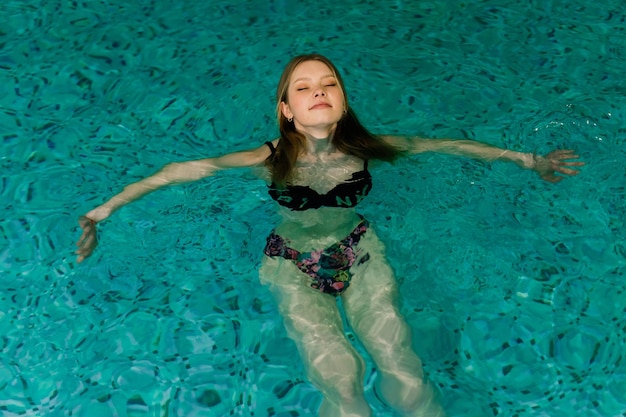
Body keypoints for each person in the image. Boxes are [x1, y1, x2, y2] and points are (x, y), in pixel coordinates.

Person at [76, 54, 584, 417]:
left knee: (402, 369)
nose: (318, 89)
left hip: (360, 252)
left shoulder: (372, 147)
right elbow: (183, 169)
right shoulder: (268, 157)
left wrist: (529, 161)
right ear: (287, 111)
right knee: (340, 379)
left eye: (329, 83)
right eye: (303, 86)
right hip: (290, 262)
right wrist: (102, 212)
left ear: (342, 102)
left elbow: (450, 146)